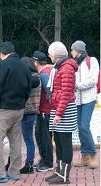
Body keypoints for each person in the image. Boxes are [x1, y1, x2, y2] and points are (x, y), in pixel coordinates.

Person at [0, 42, 31, 184]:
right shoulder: (24, 66)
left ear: (1, 54)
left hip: (2, 109)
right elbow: (28, 87)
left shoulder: (2, 66)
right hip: (19, 109)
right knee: (16, 142)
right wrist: (21, 103)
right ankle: (14, 172)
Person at [43, 41, 78, 184]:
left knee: (65, 142)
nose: (49, 55)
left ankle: (64, 176)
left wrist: (58, 114)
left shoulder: (67, 68)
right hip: (58, 108)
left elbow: (65, 93)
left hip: (64, 109)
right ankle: (59, 170)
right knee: (58, 140)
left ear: (56, 55)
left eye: (50, 53)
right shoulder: (60, 67)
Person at [70, 41, 99, 169]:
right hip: (78, 100)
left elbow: (93, 80)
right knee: (80, 128)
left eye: (72, 50)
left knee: (84, 127)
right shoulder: (74, 64)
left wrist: (77, 86)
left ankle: (93, 155)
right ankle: (85, 156)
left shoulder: (92, 61)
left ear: (78, 51)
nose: (71, 52)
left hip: (89, 99)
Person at [16, 57, 41, 174]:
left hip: (25, 112)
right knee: (30, 139)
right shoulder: (38, 78)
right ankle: (29, 163)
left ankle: (29, 164)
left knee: (27, 139)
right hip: (34, 111)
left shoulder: (28, 79)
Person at [32, 51, 55, 172]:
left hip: (45, 111)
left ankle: (47, 162)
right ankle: (44, 159)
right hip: (46, 110)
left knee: (44, 136)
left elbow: (49, 92)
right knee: (40, 134)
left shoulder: (44, 74)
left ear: (36, 62)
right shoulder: (49, 71)